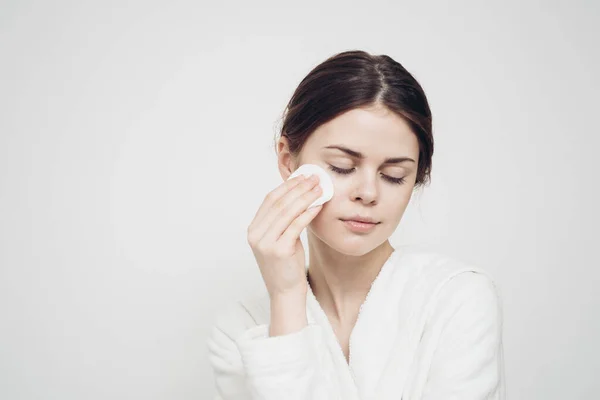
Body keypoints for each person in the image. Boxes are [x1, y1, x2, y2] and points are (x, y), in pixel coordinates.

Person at [206, 50, 505, 400]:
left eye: (394, 176)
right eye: (342, 166)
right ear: (289, 162)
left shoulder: (457, 299)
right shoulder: (241, 325)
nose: (368, 193)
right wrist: (286, 299)